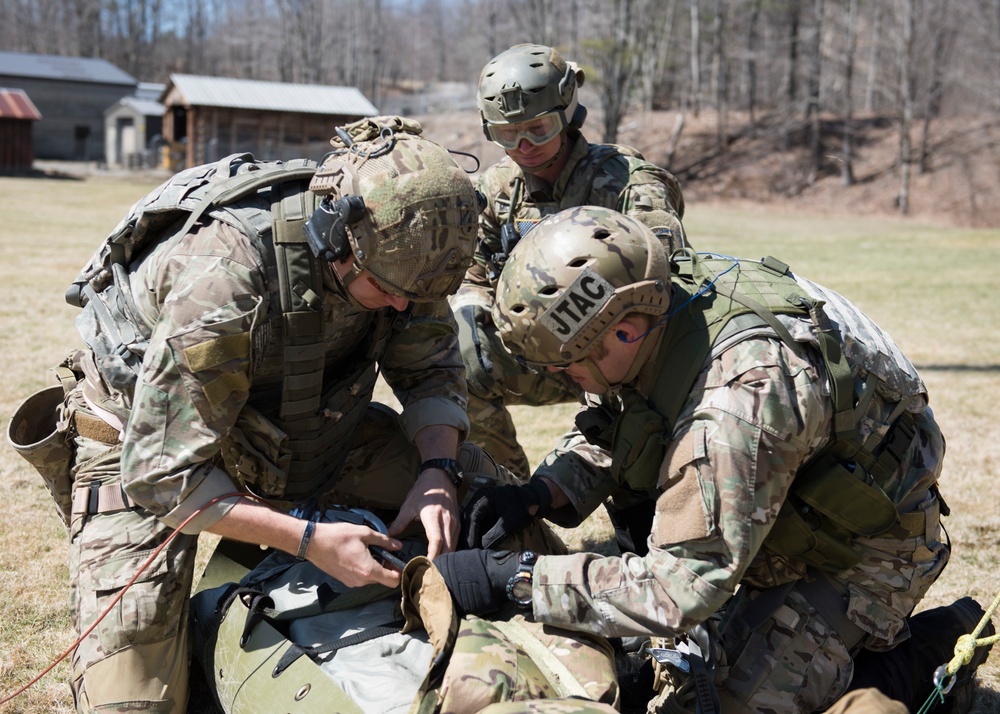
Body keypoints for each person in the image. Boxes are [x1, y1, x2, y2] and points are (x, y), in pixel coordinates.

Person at [14, 116, 498, 714]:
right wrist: (308, 541)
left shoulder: (406, 255)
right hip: (150, 445)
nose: (402, 305)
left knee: (485, 490)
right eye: (386, 289)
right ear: (337, 238)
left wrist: (437, 472)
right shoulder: (224, 276)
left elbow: (430, 369)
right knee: (134, 705)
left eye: (412, 294)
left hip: (297, 424)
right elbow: (163, 474)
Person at [433, 206, 995, 713]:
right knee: (666, 656)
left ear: (624, 329)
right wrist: (538, 493)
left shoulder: (740, 396)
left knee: (725, 703)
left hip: (862, 550)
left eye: (566, 366)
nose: (560, 378)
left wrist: (516, 579)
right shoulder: (651, 301)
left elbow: (680, 587)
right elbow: (617, 429)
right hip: (777, 504)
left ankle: (930, 651)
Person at [452, 42, 688, 488]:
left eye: (538, 129)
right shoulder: (495, 189)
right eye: (507, 135)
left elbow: (666, 276)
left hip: (621, 349)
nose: (523, 146)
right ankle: (503, 491)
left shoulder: (627, 182)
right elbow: (472, 269)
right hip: (543, 353)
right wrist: (473, 309)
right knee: (462, 359)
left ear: (567, 114)